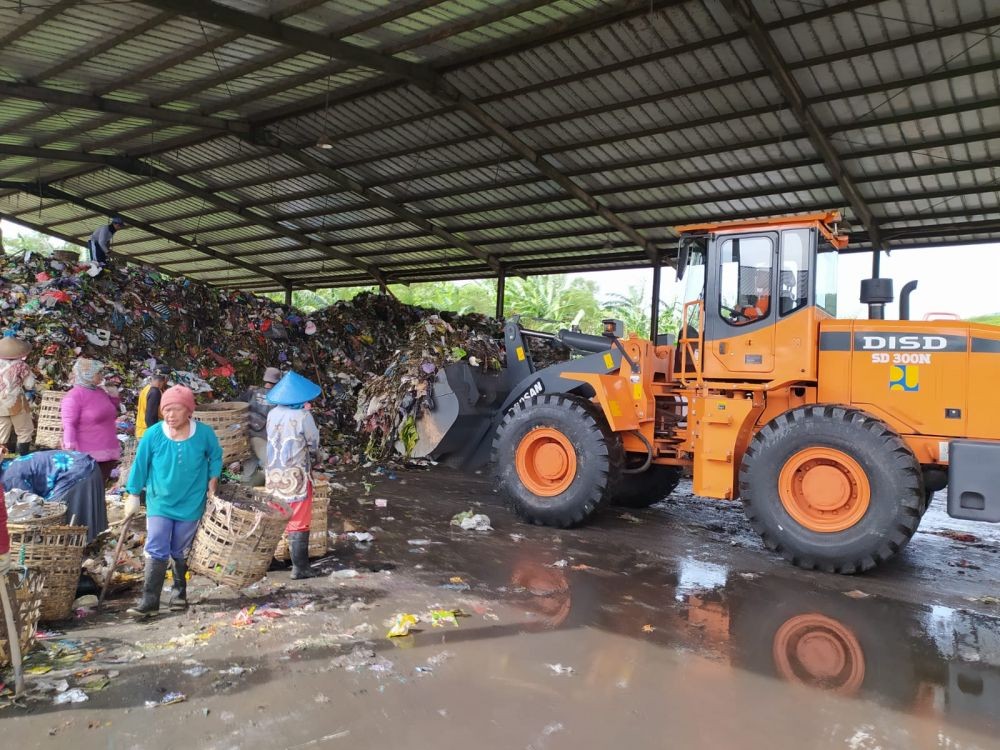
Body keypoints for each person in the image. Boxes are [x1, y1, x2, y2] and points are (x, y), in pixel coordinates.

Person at [124, 385, 221, 619]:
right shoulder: (154, 434)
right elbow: (140, 464)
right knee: (156, 546)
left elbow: (215, 455)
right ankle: (150, 600)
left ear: (188, 411)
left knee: (179, 549)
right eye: (166, 410)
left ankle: (179, 593)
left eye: (176, 410)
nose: (170, 415)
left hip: (191, 501)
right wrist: (134, 493)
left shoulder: (204, 433)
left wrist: (213, 481)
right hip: (160, 501)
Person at [265, 371, 321, 580]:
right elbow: (313, 443)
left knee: (275, 515)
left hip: (273, 472)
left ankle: (269, 561)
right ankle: (300, 567)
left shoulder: (272, 414)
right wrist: (318, 458)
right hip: (295, 475)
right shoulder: (303, 416)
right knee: (298, 517)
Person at [1, 450, 107, 543]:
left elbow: (31, 506)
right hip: (82, 463)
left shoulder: (9, 478)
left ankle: (72, 547)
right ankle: (85, 543)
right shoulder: (7, 466)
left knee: (55, 513)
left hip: (77, 472)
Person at [61, 358, 121, 486]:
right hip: (88, 457)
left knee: (100, 490)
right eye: (98, 373)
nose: (101, 376)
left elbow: (111, 413)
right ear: (86, 375)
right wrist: (70, 451)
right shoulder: (74, 396)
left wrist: (114, 397)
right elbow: (69, 424)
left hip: (109, 453)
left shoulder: (99, 391)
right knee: (89, 491)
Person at [238, 367, 281, 480]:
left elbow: (238, 404)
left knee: (250, 463)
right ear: (278, 381)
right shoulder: (279, 397)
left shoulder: (254, 392)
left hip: (250, 433)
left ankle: (246, 485)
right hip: (264, 437)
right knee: (270, 465)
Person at [0, 335, 35, 456]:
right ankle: (22, 460)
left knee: (1, 433)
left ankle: (1, 461)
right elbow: (30, 384)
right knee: (24, 430)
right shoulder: (21, 365)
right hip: (16, 403)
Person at [135, 368, 169, 440]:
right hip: (148, 433)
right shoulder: (155, 392)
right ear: (165, 379)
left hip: (142, 431)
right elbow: (150, 417)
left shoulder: (146, 388)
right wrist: (155, 435)